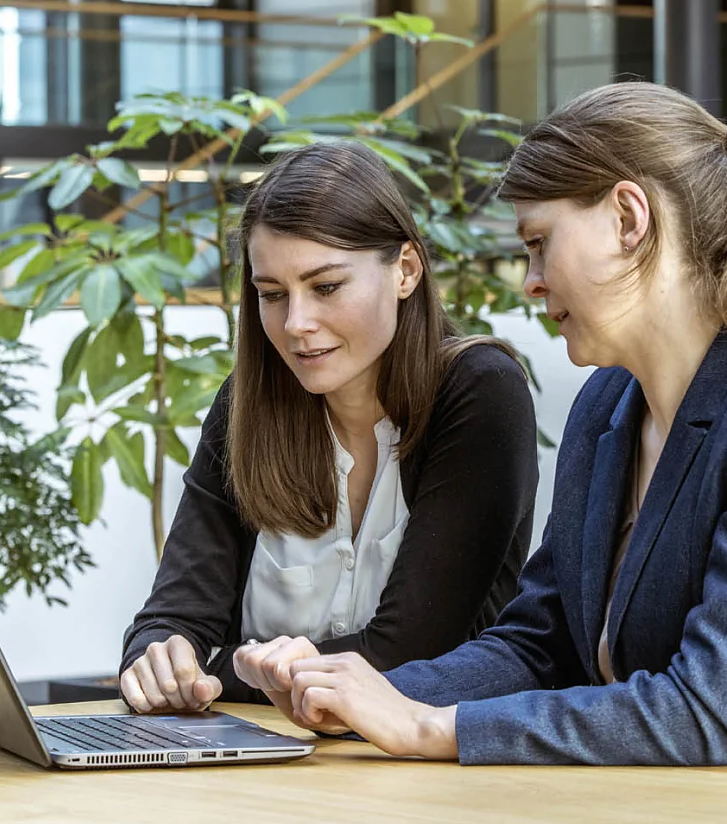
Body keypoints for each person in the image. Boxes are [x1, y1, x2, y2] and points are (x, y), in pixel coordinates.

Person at [234, 81, 727, 766]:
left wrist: (428, 725)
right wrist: (360, 694)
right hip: (655, 814)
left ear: (629, 218)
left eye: (539, 242)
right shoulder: (606, 407)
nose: (530, 280)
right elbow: (540, 642)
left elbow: (709, 711)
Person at [120, 141, 538, 710]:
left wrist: (218, 669)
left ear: (406, 271)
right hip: (259, 766)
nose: (296, 324)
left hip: (428, 769)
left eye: (326, 287)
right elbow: (171, 623)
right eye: (271, 295)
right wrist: (158, 660)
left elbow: (404, 654)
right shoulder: (247, 405)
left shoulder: (480, 391)